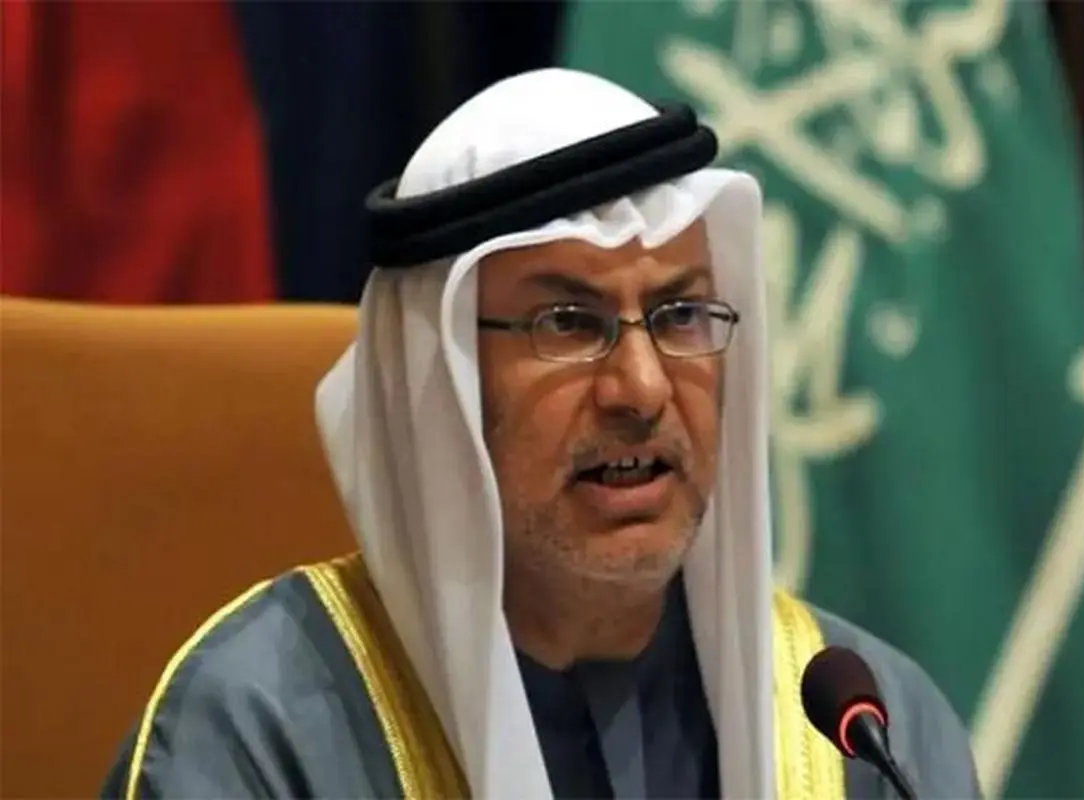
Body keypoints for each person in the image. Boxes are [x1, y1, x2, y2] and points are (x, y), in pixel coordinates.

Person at [102, 68, 980, 799]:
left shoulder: (860, 732)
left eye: (679, 315)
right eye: (568, 323)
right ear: (442, 382)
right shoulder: (260, 734)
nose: (642, 389)